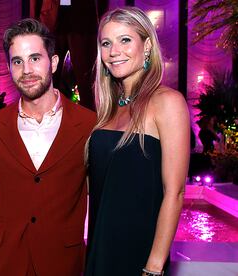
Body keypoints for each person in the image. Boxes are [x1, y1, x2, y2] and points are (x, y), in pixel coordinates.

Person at [0, 18, 96, 276]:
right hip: (6, 262)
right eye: (17, 61)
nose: (26, 70)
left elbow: (103, 195)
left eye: (34, 58)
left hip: (63, 263)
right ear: (9, 68)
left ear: (52, 63)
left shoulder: (89, 124)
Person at [85, 7, 190, 276]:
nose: (114, 51)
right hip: (101, 249)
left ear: (147, 46)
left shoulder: (167, 102)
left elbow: (174, 193)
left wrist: (153, 267)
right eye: (106, 43)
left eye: (125, 40)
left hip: (140, 256)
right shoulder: (108, 110)